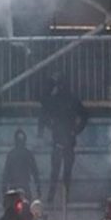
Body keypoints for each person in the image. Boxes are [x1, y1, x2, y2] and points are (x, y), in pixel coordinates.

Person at [38, 74, 87, 206]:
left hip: (65, 140)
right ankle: (57, 197)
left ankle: (55, 197)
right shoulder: (65, 100)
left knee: (59, 172)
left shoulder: (66, 100)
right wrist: (75, 130)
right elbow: (43, 112)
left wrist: (47, 128)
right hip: (63, 140)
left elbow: (84, 116)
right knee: (62, 172)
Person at [2, 129, 41, 200]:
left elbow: (6, 172)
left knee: (12, 207)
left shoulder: (11, 154)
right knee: (27, 204)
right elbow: (35, 172)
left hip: (15, 185)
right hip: (23, 185)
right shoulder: (28, 154)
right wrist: (38, 187)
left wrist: (4, 188)